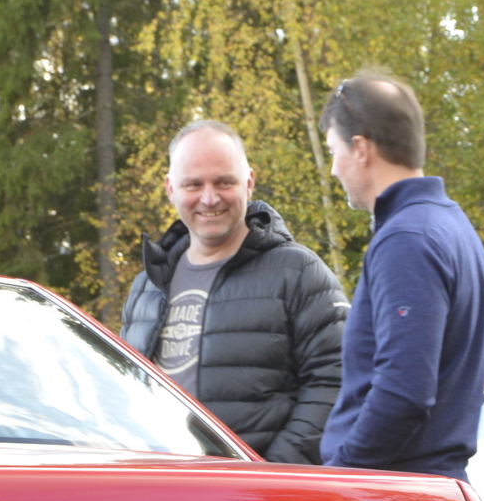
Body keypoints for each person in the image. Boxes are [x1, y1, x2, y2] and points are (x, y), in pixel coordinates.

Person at [118, 119, 348, 464]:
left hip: (257, 489)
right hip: (163, 486)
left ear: (249, 183)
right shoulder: (147, 286)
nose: (209, 198)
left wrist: (273, 473)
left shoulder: (298, 273)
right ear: (170, 189)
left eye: (224, 182)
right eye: (193, 185)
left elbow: (335, 382)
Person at [315, 70, 484, 478]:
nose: (333, 171)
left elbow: (403, 392)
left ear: (360, 148)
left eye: (333, 152)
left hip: (400, 493)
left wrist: (343, 477)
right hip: (426, 490)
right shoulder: (447, 226)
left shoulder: (408, 240)